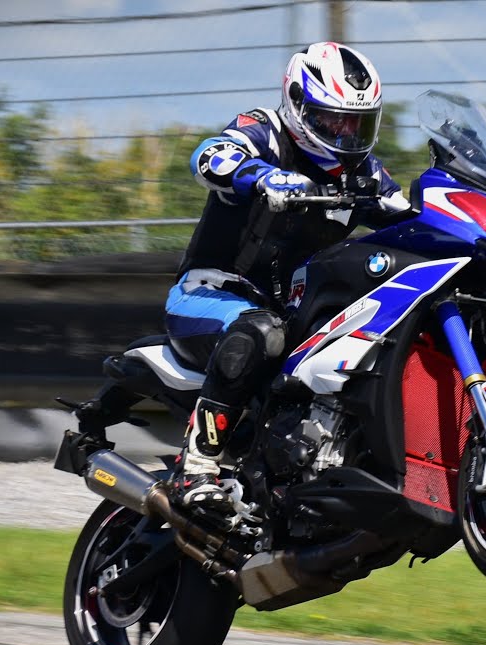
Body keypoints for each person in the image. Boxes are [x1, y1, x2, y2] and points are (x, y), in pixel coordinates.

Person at [166, 41, 409, 509]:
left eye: (356, 123)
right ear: (298, 104)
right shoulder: (265, 131)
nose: (345, 133)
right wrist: (262, 176)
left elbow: (407, 216)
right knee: (260, 332)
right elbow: (210, 155)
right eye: (333, 119)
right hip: (210, 291)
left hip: (293, 309)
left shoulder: (362, 171)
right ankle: (195, 467)